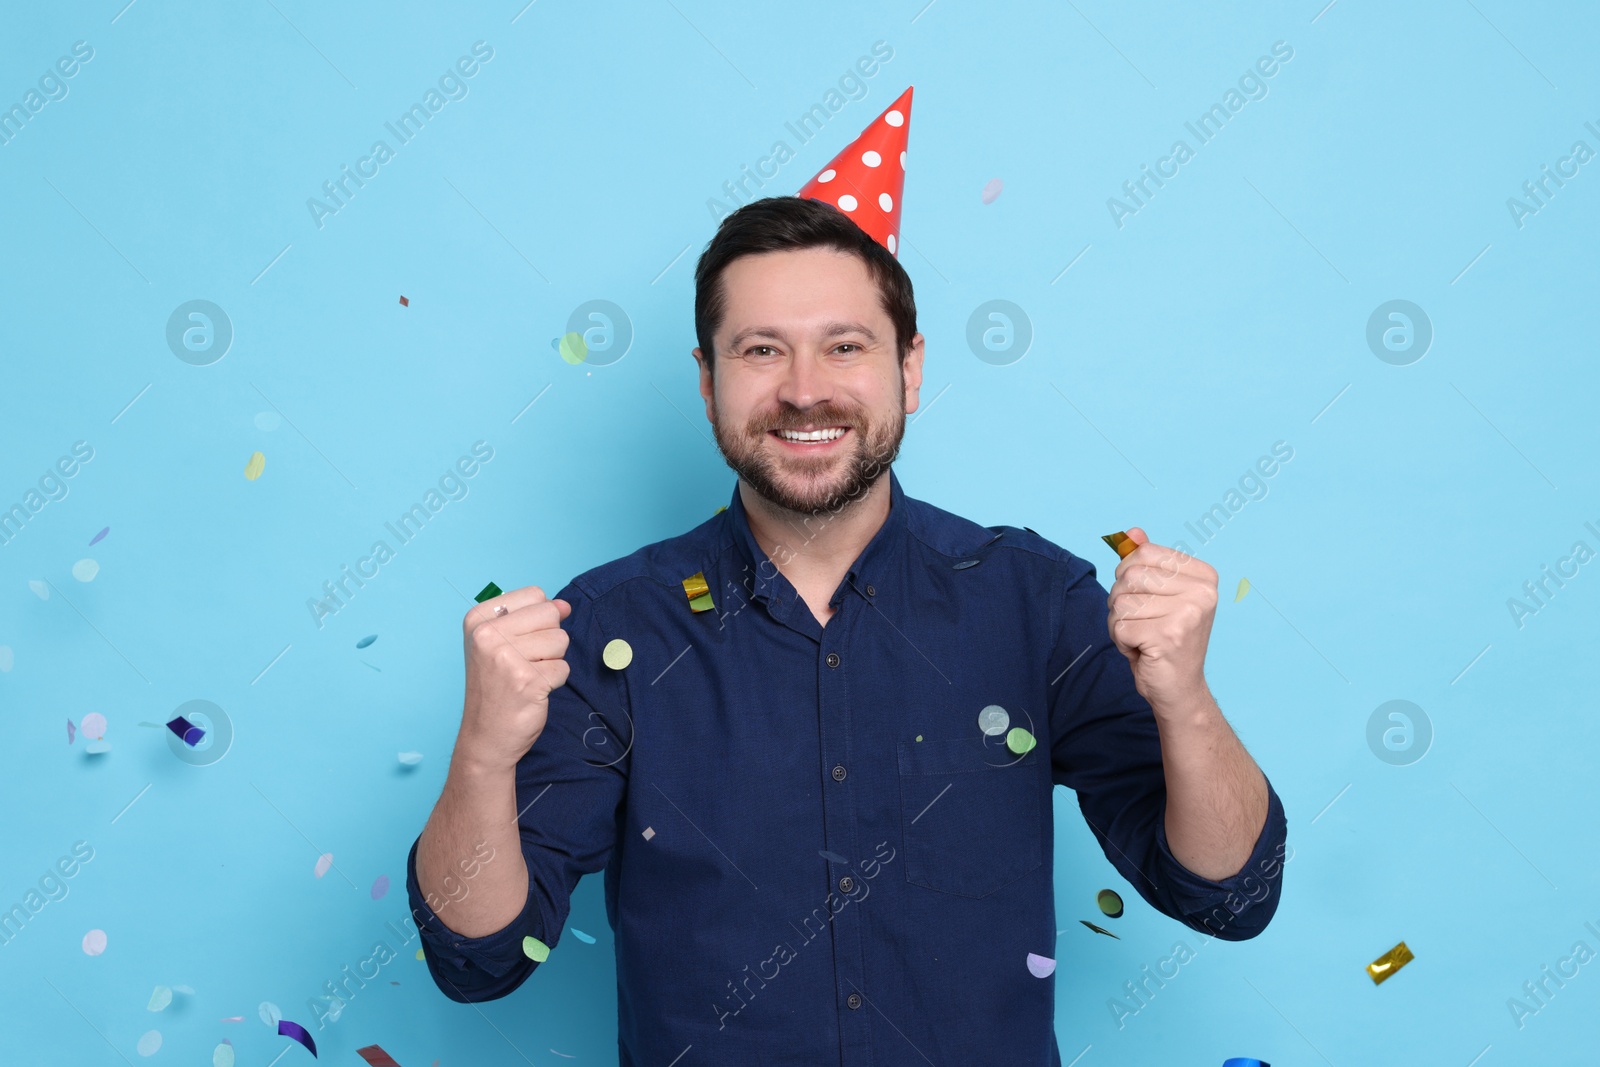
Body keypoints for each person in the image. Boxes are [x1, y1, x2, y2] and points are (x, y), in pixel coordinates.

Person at [406, 194, 1288, 1065]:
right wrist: (483, 750)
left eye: (845, 345)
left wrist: (1187, 702)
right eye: (761, 350)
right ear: (709, 381)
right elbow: (480, 957)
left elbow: (1230, 896)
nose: (804, 390)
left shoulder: (1034, 601)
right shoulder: (608, 628)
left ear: (909, 368)